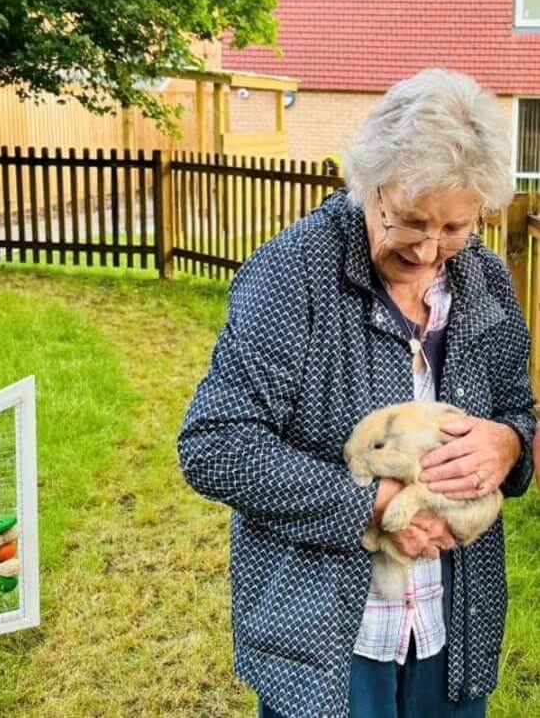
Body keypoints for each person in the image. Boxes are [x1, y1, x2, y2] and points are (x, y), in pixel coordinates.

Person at [177, 68, 537, 717]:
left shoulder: (484, 281)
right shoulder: (292, 273)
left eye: (454, 227)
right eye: (409, 221)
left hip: (452, 629)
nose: (430, 251)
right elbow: (216, 443)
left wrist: (509, 444)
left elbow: (519, 410)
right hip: (331, 641)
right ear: (366, 185)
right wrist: (371, 504)